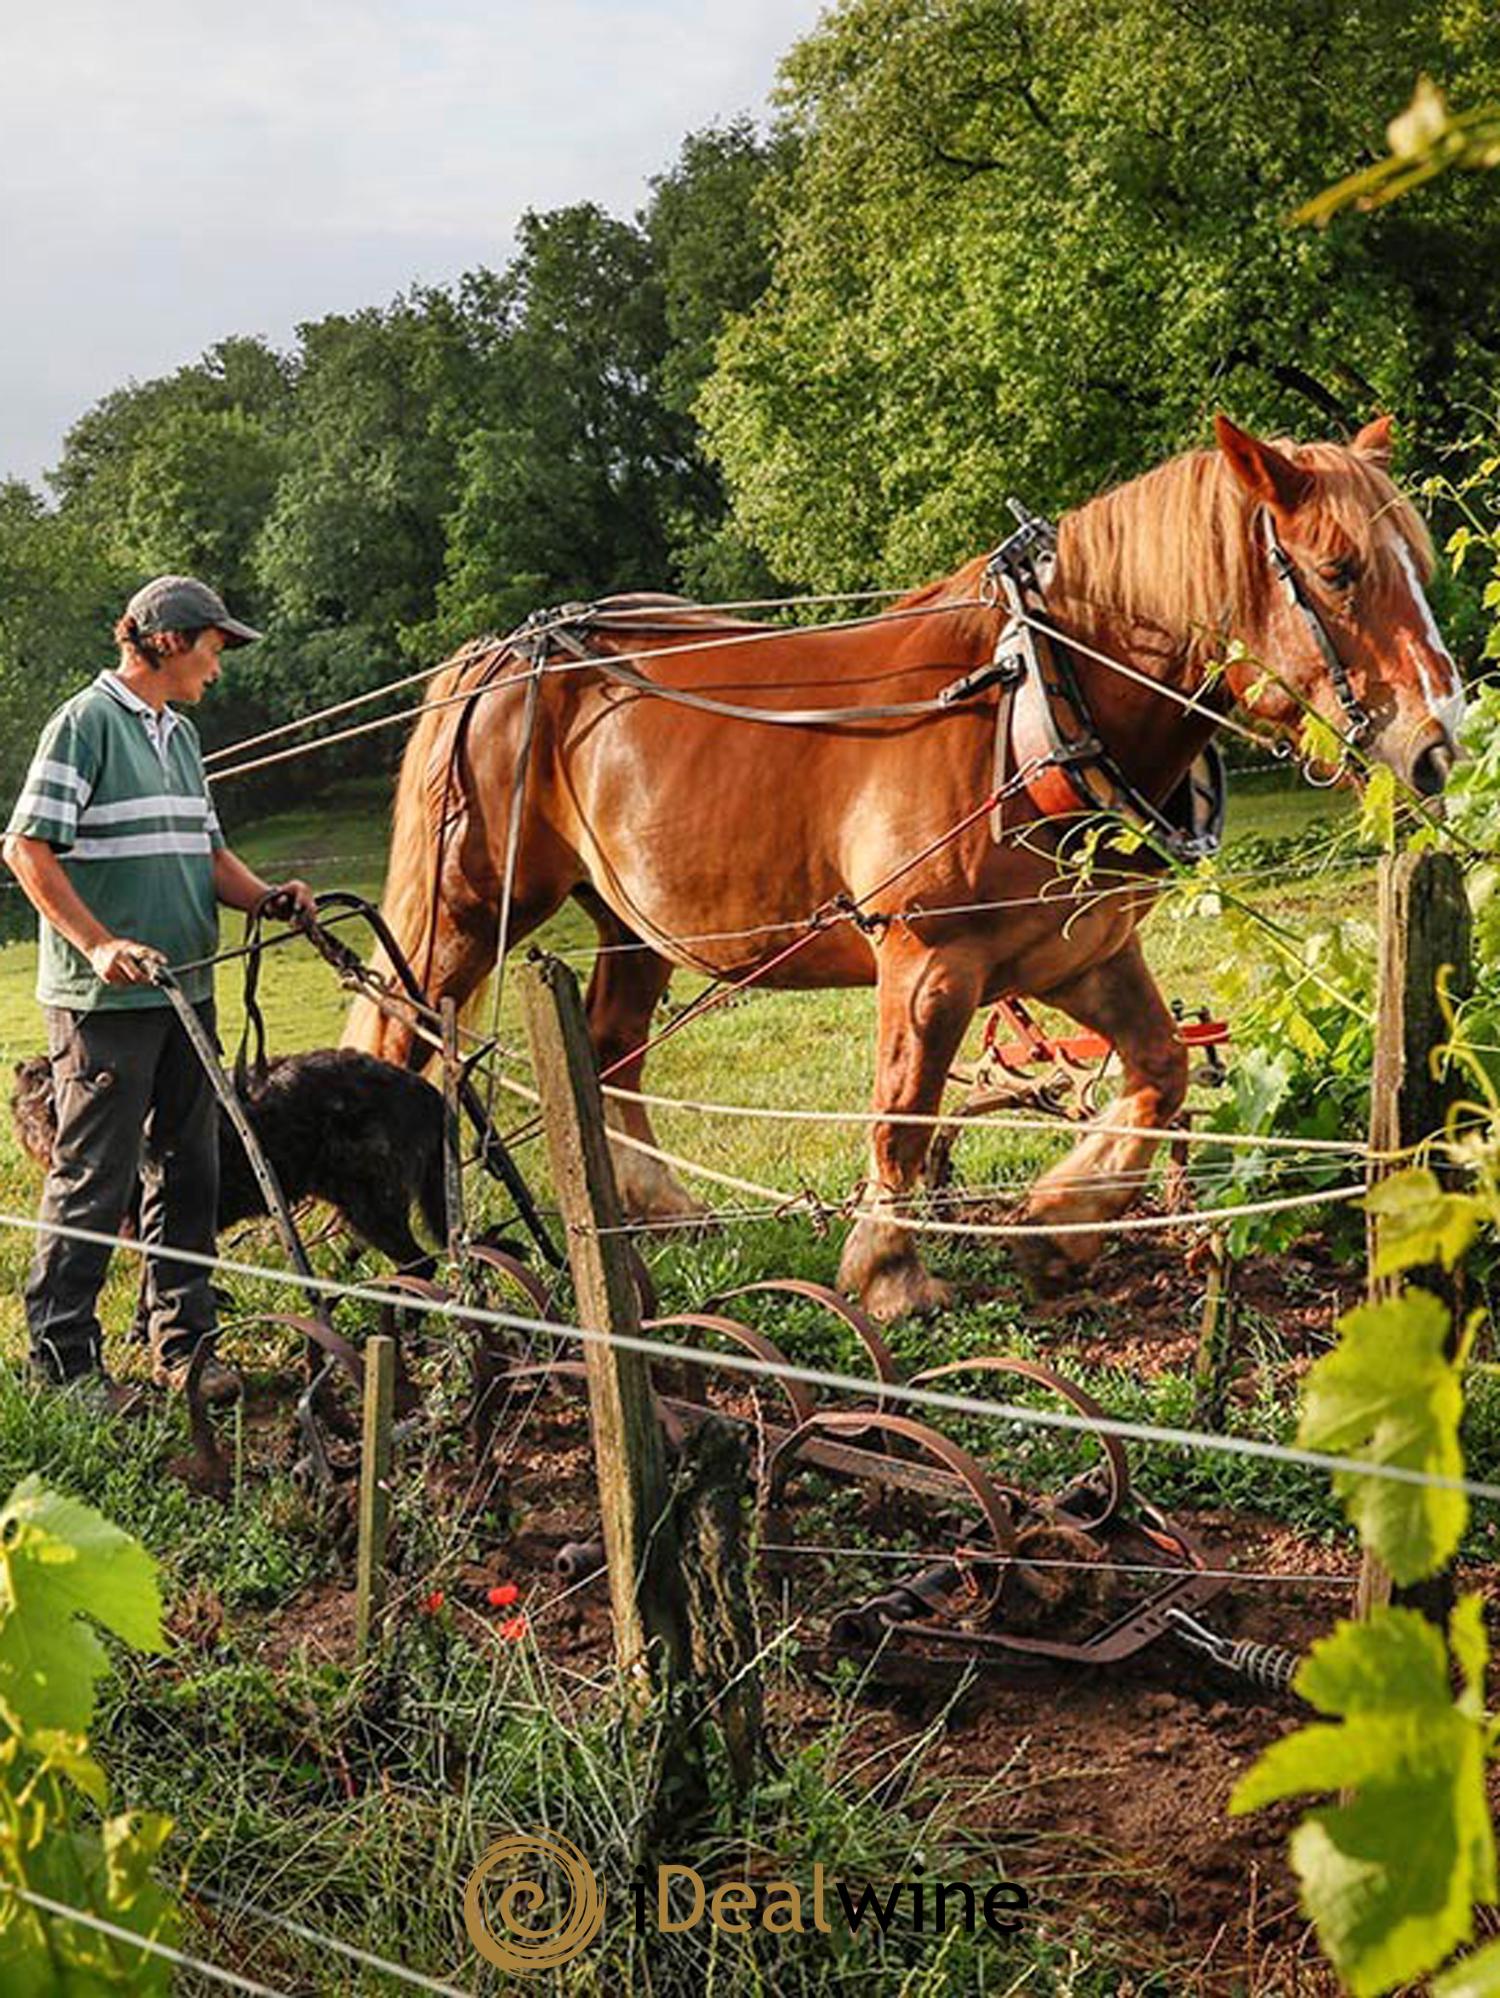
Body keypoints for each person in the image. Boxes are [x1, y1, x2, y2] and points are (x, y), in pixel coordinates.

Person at [2, 575, 316, 1413]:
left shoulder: (178, 738)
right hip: (105, 1004)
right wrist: (99, 944)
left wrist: (265, 898)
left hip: (184, 991)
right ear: (170, 641)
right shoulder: (85, 725)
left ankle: (182, 1346)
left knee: (192, 1170)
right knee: (94, 1176)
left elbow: (207, 854)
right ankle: (63, 1368)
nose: (221, 665)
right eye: (216, 645)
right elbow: (28, 851)